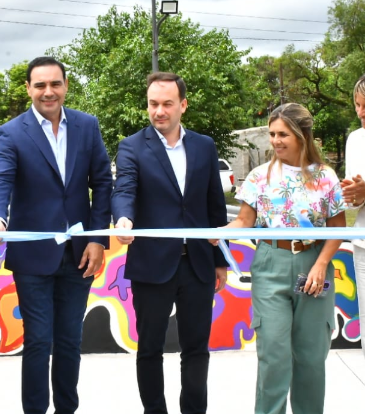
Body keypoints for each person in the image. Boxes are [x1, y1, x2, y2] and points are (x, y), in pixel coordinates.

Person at [0, 56, 112, 414]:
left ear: (66, 86)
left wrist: (97, 239)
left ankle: (67, 409)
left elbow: (102, 182)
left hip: (79, 256)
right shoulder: (12, 132)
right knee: (39, 341)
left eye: (55, 84)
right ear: (28, 89)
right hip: (33, 258)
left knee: (70, 341)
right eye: (40, 85)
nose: (48, 91)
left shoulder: (87, 127)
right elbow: (0, 180)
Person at [216, 103, 346, 414]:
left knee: (311, 357)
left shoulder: (326, 177)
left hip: (314, 265)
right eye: (273, 134)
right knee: (273, 355)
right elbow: (244, 222)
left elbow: (338, 229)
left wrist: (321, 264)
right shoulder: (259, 177)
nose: (275, 140)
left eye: (283, 134)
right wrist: (219, 231)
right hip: (270, 264)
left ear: (303, 136)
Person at [111, 72, 228, 414]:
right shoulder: (132, 146)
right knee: (149, 349)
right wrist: (122, 218)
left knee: (196, 349)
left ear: (183, 105)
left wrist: (218, 260)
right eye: (152, 104)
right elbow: (125, 190)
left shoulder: (204, 146)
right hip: (151, 265)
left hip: (198, 265)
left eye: (166, 104)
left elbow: (214, 207)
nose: (158, 111)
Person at [342, 73, 365, 367]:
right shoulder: (356, 140)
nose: (360, 112)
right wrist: (355, 195)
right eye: (357, 105)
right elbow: (355, 198)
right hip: (363, 245)